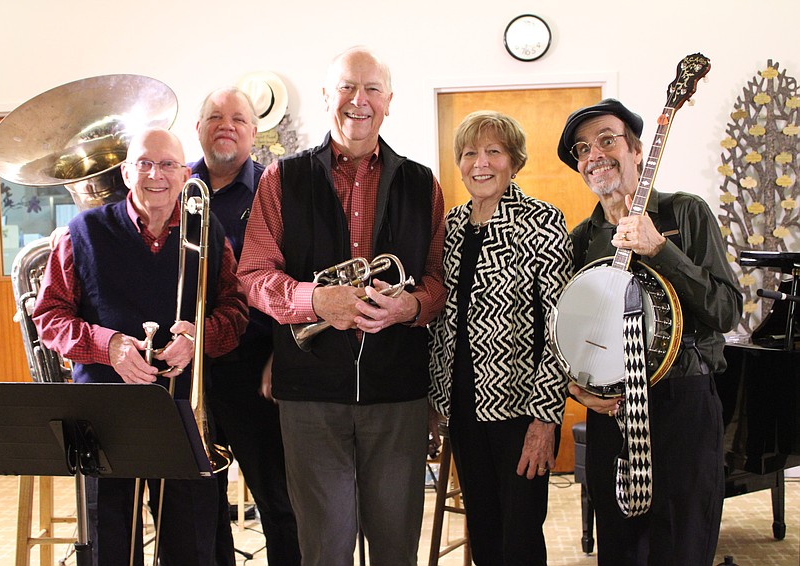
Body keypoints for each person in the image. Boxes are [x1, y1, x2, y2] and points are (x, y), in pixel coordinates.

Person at [237, 46, 447, 566]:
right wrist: (315, 299)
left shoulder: (423, 183)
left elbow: (439, 280)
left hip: (397, 393)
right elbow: (254, 274)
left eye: (372, 89)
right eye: (347, 88)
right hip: (311, 395)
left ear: (389, 102)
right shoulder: (280, 179)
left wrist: (409, 307)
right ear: (327, 95)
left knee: (396, 547)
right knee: (324, 549)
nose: (360, 100)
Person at [33, 127, 250, 566]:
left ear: (186, 172)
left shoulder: (207, 232)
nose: (156, 174)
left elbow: (236, 312)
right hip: (106, 415)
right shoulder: (83, 232)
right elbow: (49, 317)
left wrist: (197, 338)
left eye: (168, 164)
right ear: (127, 172)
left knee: (192, 540)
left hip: (183, 412)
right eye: (144, 164)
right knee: (110, 541)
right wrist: (107, 345)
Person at [556, 98, 742, 565]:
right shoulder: (581, 239)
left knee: (682, 546)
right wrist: (577, 387)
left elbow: (726, 311)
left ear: (637, 150)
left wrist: (661, 249)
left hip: (683, 402)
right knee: (619, 550)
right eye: (582, 149)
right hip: (613, 413)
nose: (593, 154)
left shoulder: (685, 214)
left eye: (606, 140)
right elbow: (568, 331)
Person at [428, 110, 573, 565]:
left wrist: (545, 420)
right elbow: (442, 322)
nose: (480, 162)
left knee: (521, 536)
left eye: (493, 151)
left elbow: (558, 327)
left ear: (514, 161)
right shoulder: (450, 227)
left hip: (519, 409)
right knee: (484, 530)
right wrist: (435, 399)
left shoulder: (541, 221)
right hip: (463, 406)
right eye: (470, 152)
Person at [189, 86, 300, 566]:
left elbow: (296, 278)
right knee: (198, 504)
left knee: (278, 499)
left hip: (255, 366)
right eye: (215, 117)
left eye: (238, 118)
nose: (226, 125)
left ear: (255, 131)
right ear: (198, 129)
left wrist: (283, 352)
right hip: (186, 367)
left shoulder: (274, 190)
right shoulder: (175, 186)